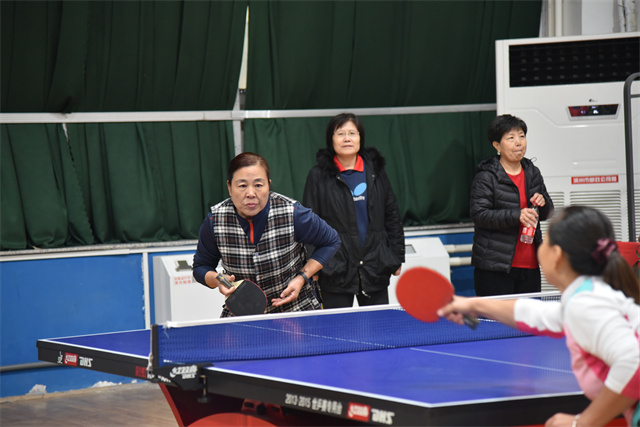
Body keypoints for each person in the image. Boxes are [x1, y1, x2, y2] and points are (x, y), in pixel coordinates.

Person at [438, 206, 640, 427]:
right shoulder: (592, 294)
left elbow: (633, 362)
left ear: (557, 255)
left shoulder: (586, 303)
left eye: (545, 240)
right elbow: (537, 315)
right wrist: (472, 304)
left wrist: (582, 423)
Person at [192, 152, 340, 317]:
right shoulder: (214, 220)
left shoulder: (293, 213)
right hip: (241, 314)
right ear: (229, 187)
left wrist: (302, 278)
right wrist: (218, 280)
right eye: (242, 186)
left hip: (297, 310)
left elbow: (331, 241)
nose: (250, 193)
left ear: (268, 185)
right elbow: (201, 267)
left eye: (258, 185)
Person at [302, 113, 405, 308]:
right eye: (340, 133)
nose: (347, 138)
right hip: (334, 269)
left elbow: (392, 215)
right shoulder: (317, 175)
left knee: (379, 325)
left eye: (352, 133)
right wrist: (313, 264)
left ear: (360, 138)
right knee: (336, 326)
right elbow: (309, 224)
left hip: (375, 267)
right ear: (331, 139)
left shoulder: (376, 172)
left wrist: (396, 257)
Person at [470, 114, 554, 296]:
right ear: (497, 146)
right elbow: (479, 215)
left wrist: (543, 202)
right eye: (511, 138)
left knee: (529, 315)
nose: (519, 143)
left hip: (530, 265)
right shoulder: (486, 177)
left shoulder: (532, 172)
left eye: (522, 136)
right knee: (497, 315)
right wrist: (517, 215)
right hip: (495, 266)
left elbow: (548, 212)